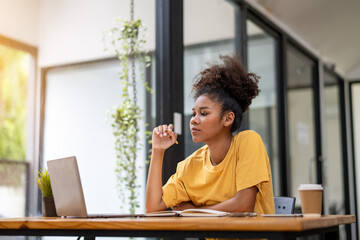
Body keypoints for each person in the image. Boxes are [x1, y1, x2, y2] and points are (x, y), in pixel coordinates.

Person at [145, 55, 275, 215]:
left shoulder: (248, 142)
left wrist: (194, 211)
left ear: (227, 118)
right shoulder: (190, 166)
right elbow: (152, 208)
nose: (193, 120)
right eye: (193, 114)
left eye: (204, 113)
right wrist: (158, 151)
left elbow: (243, 205)